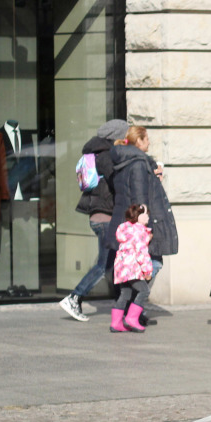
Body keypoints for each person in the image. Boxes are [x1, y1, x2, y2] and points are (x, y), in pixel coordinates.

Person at [59, 119, 128, 321]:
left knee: (112, 264)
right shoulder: (105, 156)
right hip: (104, 216)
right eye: (124, 136)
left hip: (101, 215)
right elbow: (117, 181)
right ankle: (74, 297)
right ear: (116, 136)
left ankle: (121, 306)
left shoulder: (97, 152)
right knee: (104, 265)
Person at [108, 125, 177, 327]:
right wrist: (144, 222)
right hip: (137, 225)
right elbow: (138, 198)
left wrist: (153, 179)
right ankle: (133, 312)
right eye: (146, 140)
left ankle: (123, 316)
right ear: (139, 141)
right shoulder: (138, 163)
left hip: (125, 223)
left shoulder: (124, 160)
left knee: (134, 272)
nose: (149, 144)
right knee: (152, 264)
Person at [110, 204, 153, 333]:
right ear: (140, 217)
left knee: (125, 293)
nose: (148, 218)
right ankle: (132, 318)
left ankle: (116, 322)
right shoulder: (140, 231)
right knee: (144, 290)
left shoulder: (125, 229)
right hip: (132, 268)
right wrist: (147, 270)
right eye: (146, 215)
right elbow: (141, 253)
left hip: (121, 268)